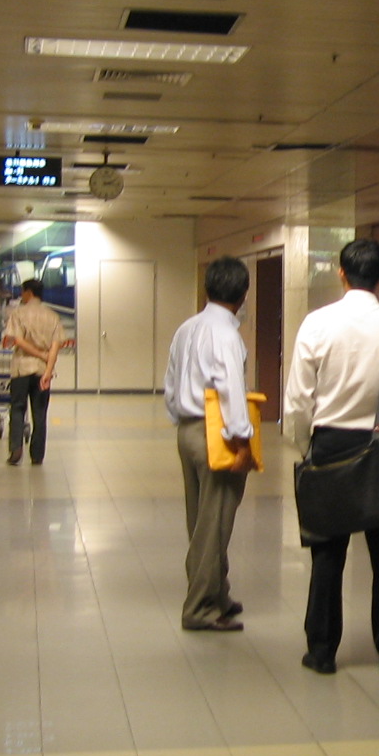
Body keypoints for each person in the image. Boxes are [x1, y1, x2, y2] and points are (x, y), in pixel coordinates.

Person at [284, 238, 379, 674]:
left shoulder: (316, 325)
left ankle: (322, 650)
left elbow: (297, 401)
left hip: (329, 444)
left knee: (327, 554)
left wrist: (306, 446)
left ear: (341, 274)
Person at [163, 257, 257, 633]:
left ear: (207, 289)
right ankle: (200, 608)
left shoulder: (187, 328)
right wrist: (243, 442)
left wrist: (183, 420)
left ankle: (217, 592)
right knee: (214, 524)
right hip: (215, 433)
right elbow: (231, 389)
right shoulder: (227, 336)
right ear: (242, 294)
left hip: (187, 429)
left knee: (199, 521)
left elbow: (170, 384)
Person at [3, 278, 63, 466]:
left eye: (23, 291)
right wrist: (48, 369)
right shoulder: (52, 316)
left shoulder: (18, 314)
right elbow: (55, 346)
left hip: (21, 368)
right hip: (41, 372)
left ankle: (16, 449)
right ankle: (37, 455)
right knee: (40, 413)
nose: (22, 295)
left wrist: (37, 354)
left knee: (18, 408)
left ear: (28, 292)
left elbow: (18, 341)